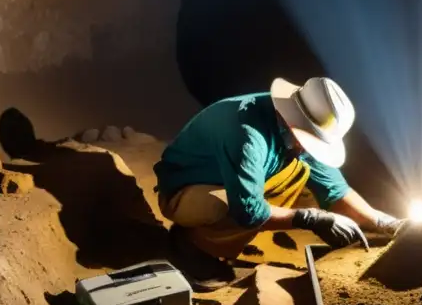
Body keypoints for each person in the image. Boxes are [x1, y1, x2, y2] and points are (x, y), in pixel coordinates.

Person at [155, 75, 404, 290]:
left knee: (300, 172)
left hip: (229, 180)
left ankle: (217, 242)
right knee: (226, 207)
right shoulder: (247, 134)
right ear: (292, 120)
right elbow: (248, 211)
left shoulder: (296, 133)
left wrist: (384, 222)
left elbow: (335, 191)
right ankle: (192, 248)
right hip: (184, 190)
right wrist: (311, 218)